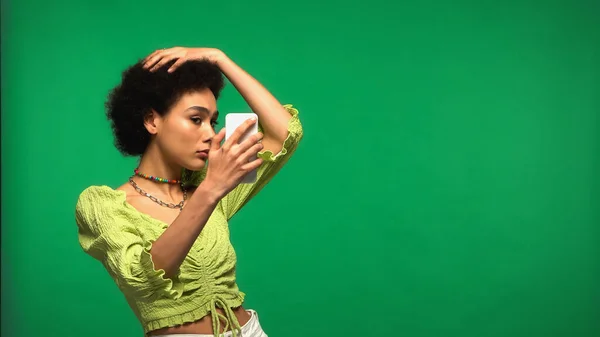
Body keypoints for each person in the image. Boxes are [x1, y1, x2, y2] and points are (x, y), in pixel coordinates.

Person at [74, 46, 303, 337]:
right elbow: (143, 279)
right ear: (151, 120)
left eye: (213, 121)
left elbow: (283, 134)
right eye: (196, 119)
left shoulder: (213, 181)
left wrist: (220, 59)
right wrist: (210, 190)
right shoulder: (104, 206)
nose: (209, 133)